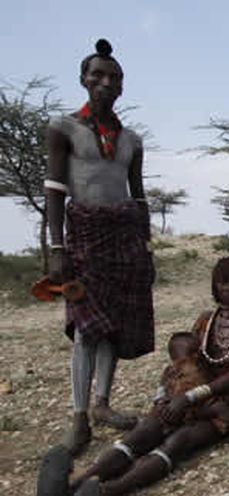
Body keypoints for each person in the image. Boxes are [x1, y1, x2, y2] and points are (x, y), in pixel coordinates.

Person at [36, 256, 229, 496]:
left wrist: (190, 398)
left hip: (227, 403)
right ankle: (76, 482)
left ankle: (109, 492)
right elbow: (183, 366)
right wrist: (166, 397)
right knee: (146, 429)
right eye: (223, 282)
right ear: (215, 286)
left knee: (180, 440)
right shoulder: (205, 320)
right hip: (189, 394)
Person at [44, 39, 154, 455]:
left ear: (122, 86)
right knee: (85, 330)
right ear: (84, 80)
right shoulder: (64, 128)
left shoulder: (131, 140)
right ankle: (78, 418)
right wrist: (57, 247)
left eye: (114, 77)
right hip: (84, 235)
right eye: (98, 75)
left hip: (123, 236)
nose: (106, 82)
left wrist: (145, 246)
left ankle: (103, 404)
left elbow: (138, 196)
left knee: (112, 326)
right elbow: (55, 189)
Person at [157, 331, 229, 445]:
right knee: (220, 408)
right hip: (189, 410)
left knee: (228, 407)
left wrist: (160, 403)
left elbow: (160, 391)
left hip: (182, 409)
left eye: (198, 351)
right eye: (193, 353)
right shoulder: (186, 369)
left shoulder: (171, 370)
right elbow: (165, 391)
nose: (197, 355)